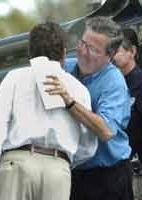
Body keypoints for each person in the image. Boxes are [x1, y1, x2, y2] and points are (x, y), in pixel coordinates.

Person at [0, 22, 97, 200]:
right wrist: (63, 161)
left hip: (17, 164)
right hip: (58, 170)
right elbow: (88, 145)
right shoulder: (79, 89)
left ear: (30, 52)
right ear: (63, 52)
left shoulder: (15, 78)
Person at [54, 16, 132, 200]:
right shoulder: (66, 68)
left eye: (93, 50)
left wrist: (70, 102)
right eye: (82, 43)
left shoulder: (114, 83)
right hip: (75, 175)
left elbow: (106, 131)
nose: (83, 52)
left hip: (108, 178)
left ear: (110, 55)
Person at [113, 28, 142, 165]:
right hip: (121, 159)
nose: (113, 57)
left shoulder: (139, 82)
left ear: (132, 51)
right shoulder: (112, 84)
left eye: (117, 51)